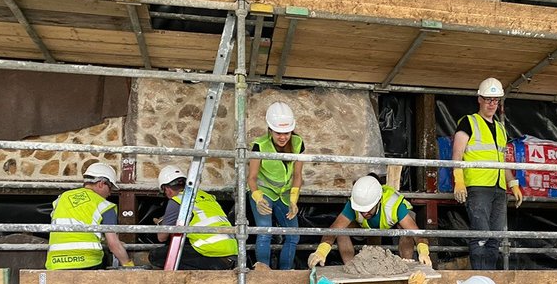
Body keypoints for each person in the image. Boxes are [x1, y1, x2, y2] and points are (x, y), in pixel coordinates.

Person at [451, 77, 522, 270]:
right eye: (488, 99)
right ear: (479, 99)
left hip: (498, 188)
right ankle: (480, 278)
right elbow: (457, 154)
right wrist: (459, 180)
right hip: (478, 186)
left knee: (495, 238)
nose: (492, 104)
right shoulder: (468, 122)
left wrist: (513, 183)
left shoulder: (500, 128)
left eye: (495, 100)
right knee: (481, 236)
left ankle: (490, 277)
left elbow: (502, 160)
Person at [307, 175, 431, 268]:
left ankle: (406, 264)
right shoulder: (354, 204)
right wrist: (322, 250)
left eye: (367, 209)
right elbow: (334, 229)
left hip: (392, 221)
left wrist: (424, 251)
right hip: (371, 225)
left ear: (378, 201)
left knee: (406, 230)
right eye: (361, 210)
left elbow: (416, 233)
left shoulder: (394, 205)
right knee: (342, 230)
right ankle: (351, 267)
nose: (364, 213)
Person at [249, 101, 305, 270]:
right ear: (270, 129)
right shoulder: (259, 146)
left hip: (285, 194)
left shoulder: (298, 143)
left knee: (293, 234)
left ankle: (285, 273)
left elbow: (297, 175)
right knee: (265, 230)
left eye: (286, 133)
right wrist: (258, 199)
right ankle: (263, 272)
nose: (282, 137)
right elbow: (251, 178)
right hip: (263, 192)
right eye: (278, 132)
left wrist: (294, 200)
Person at [46, 162, 133, 270]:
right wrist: (128, 264)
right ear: (101, 183)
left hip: (56, 262)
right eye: (110, 187)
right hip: (88, 262)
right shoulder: (104, 205)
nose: (110, 193)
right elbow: (113, 245)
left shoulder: (63, 198)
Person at [149, 165, 237, 270]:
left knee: (156, 256)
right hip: (232, 252)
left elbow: (161, 237)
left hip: (212, 254)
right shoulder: (207, 196)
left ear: (167, 189)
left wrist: (162, 224)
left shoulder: (177, 200)